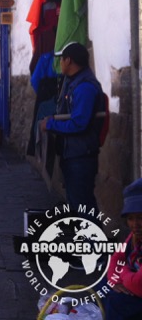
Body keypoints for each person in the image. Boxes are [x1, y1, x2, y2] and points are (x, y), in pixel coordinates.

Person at [39, 41, 104, 212]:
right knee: (77, 204)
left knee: (83, 206)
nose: (60, 64)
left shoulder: (85, 88)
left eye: (61, 60)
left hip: (80, 156)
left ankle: (91, 239)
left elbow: (79, 123)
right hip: (73, 154)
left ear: (69, 61)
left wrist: (52, 124)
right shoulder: (73, 82)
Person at [104, 178, 142, 319]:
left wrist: (123, 273)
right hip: (132, 281)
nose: (135, 224)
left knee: (116, 301)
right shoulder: (134, 236)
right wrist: (115, 281)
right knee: (105, 285)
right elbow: (117, 258)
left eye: (140, 217)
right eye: (131, 218)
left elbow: (138, 284)